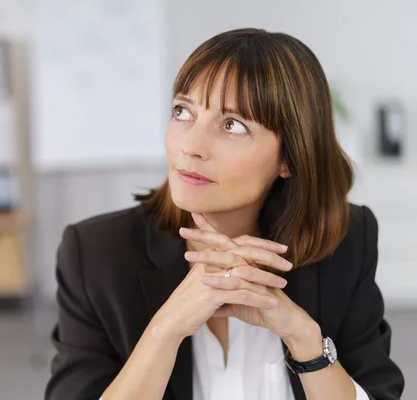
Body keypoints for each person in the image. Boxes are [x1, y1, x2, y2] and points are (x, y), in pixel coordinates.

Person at [44, 28, 404, 400]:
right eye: (183, 112)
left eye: (232, 125)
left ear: (290, 157)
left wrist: (306, 341)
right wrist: (165, 331)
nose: (191, 146)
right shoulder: (96, 253)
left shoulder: (345, 242)